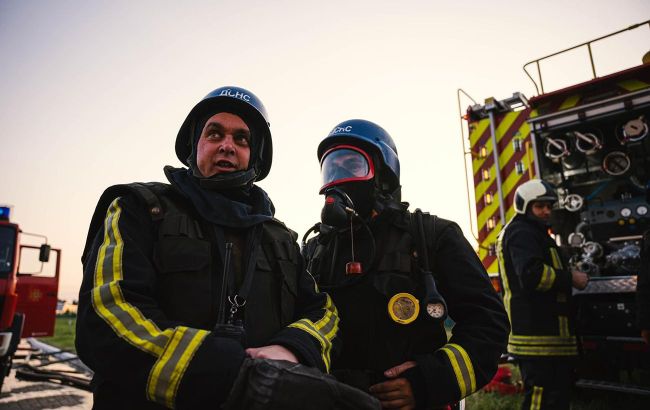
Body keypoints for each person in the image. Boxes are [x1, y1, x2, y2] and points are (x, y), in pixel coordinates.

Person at [76, 86, 340, 409]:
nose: (228, 146)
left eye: (242, 139)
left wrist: (293, 348)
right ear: (194, 146)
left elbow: (323, 312)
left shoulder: (281, 239)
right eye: (214, 133)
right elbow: (106, 316)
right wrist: (229, 375)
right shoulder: (138, 209)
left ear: (254, 157)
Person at [302, 119, 510, 409]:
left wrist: (429, 381)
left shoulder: (431, 236)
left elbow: (488, 323)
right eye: (332, 168)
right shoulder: (316, 251)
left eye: (353, 165)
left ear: (384, 177)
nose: (339, 178)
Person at [497, 179, 589, 410]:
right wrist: (571, 278)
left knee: (556, 396)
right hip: (536, 336)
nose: (546, 211)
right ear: (525, 206)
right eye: (540, 206)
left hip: (546, 336)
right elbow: (532, 276)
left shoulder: (533, 231)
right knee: (541, 397)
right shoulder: (522, 232)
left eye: (549, 206)